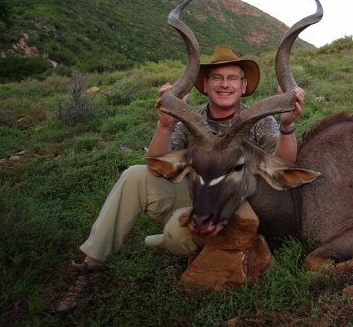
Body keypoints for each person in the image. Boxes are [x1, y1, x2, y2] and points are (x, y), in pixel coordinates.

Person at [56, 45, 304, 314]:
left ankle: (185, 243)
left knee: (176, 232)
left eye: (232, 78)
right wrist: (165, 124)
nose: (224, 84)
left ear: (243, 86)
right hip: (194, 193)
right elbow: (157, 168)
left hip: (235, 204)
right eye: (217, 78)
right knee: (134, 176)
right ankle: (91, 266)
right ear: (205, 85)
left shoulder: (258, 120)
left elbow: (285, 166)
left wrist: (287, 124)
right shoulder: (191, 119)